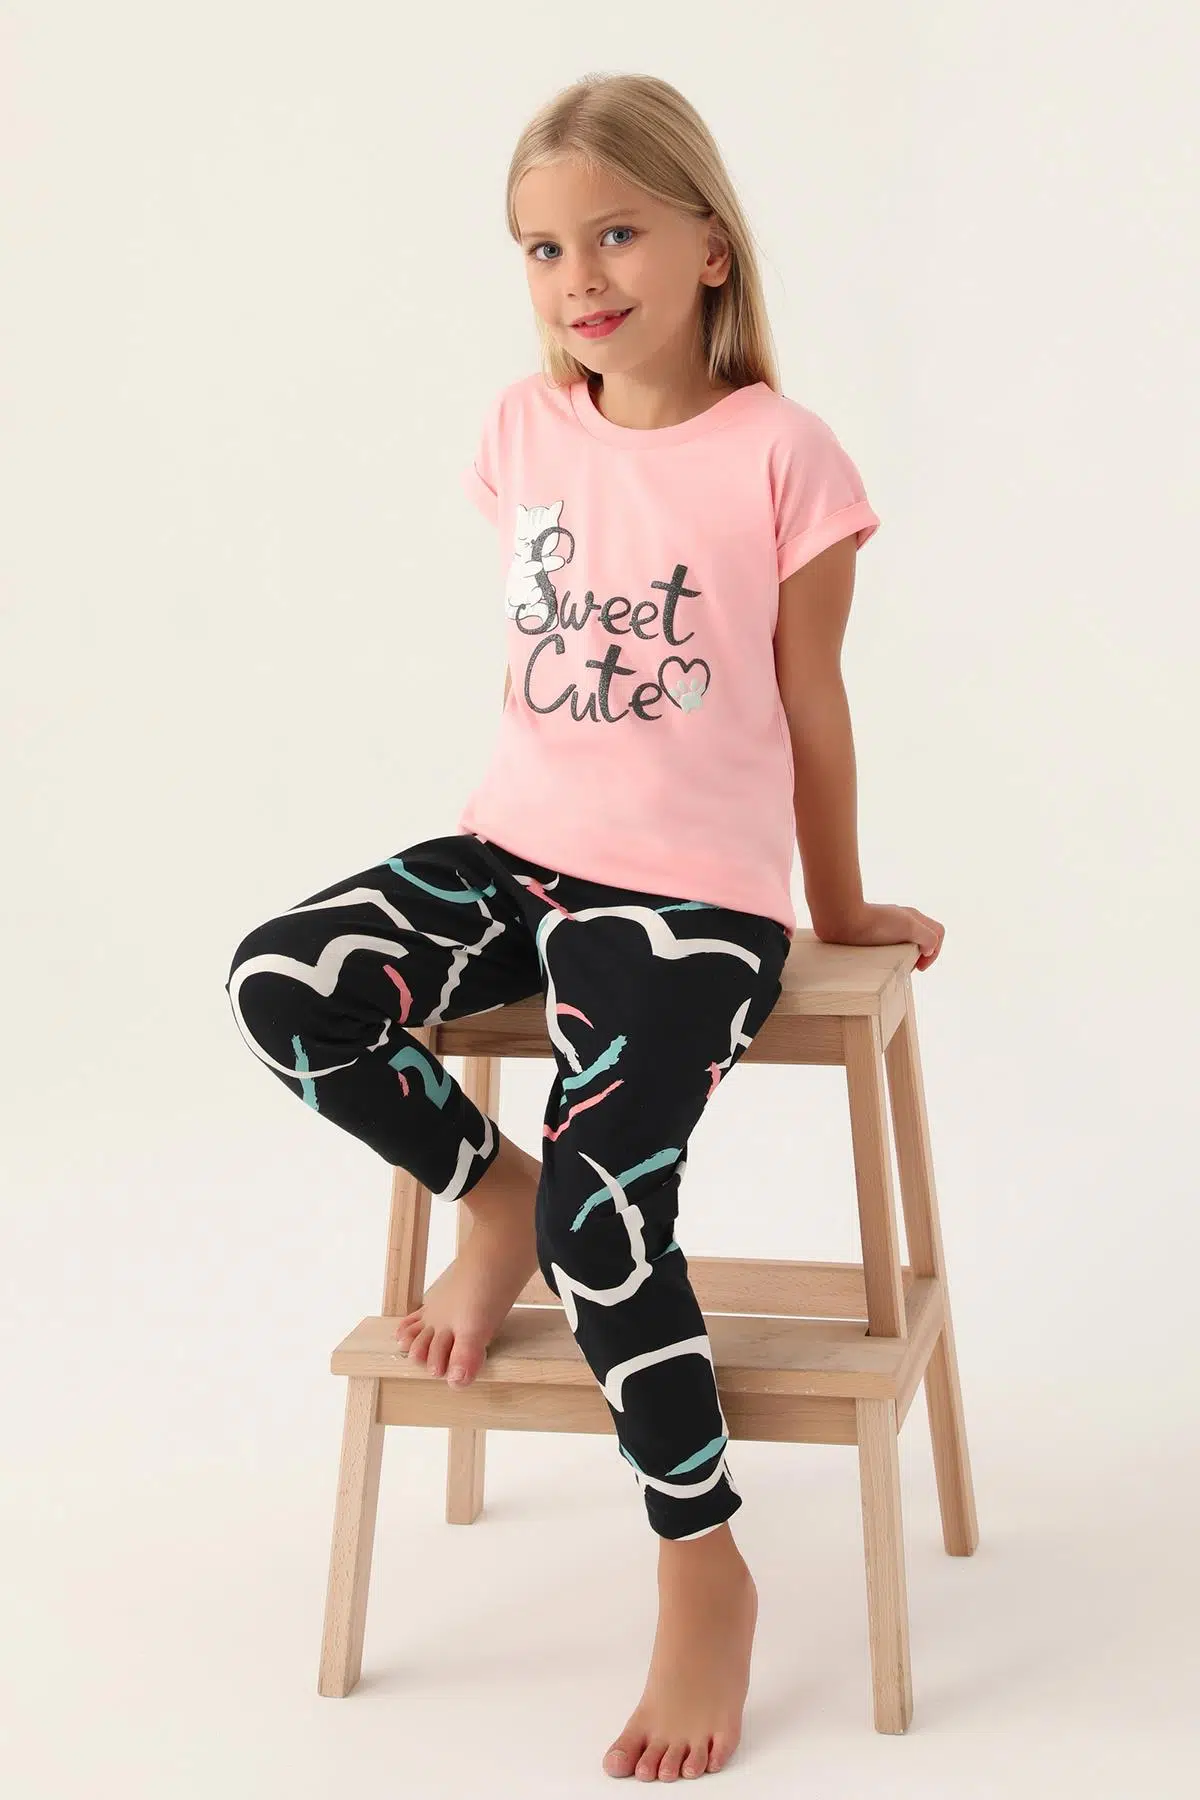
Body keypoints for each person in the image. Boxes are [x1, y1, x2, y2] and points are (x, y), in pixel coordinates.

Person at [225, 71, 944, 1784]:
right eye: (544, 248)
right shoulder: (520, 430)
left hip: (692, 901)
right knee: (282, 981)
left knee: (611, 1204)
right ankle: (495, 1194)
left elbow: (813, 705)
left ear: (710, 244)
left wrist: (839, 907)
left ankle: (702, 1560)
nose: (578, 277)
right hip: (513, 859)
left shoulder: (786, 457)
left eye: (616, 233)